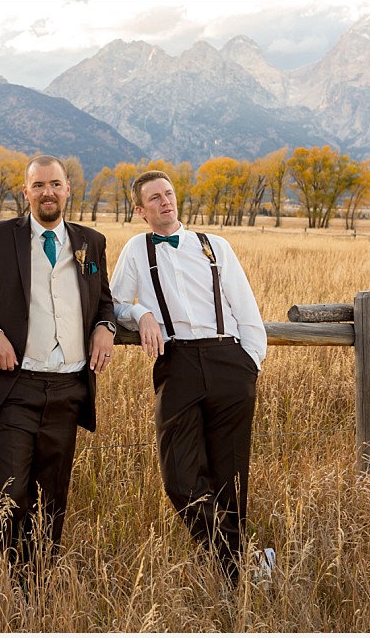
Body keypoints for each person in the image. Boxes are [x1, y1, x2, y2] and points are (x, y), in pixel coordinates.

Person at [0, 154, 117, 569]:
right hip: (12, 388)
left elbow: (104, 301)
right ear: (26, 192)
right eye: (38, 185)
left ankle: (36, 590)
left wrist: (106, 327)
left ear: (68, 189)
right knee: (7, 498)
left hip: (68, 388)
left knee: (51, 500)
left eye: (55, 184)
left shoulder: (91, 241)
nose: (48, 192)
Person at [109, 170, 272, 587]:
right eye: (155, 197)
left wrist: (249, 364)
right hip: (176, 361)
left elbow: (247, 309)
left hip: (228, 361)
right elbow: (110, 303)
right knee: (179, 477)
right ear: (139, 209)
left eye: (169, 193)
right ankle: (241, 560)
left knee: (231, 474)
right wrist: (139, 313)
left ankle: (233, 577)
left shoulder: (214, 245)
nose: (165, 201)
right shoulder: (136, 249)